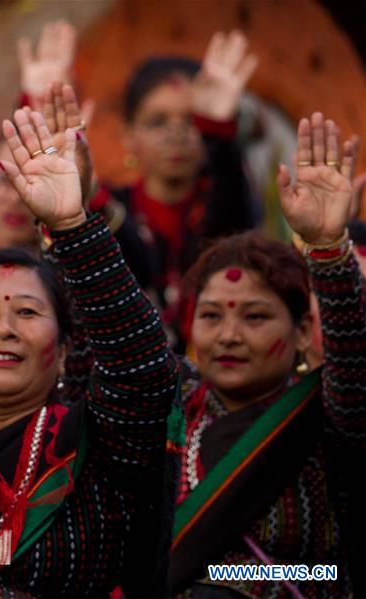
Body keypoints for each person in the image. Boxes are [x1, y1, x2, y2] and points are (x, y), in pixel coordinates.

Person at [0, 107, 179, 597]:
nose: (3, 329)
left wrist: (71, 224)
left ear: (67, 351)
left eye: (27, 313)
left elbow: (144, 368)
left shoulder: (100, 448)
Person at [170, 112, 365, 598]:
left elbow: (329, 577)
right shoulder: (171, 413)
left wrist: (327, 249)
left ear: (302, 332)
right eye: (212, 316)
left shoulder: (330, 419)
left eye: (255, 318)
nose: (229, 335)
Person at [96, 31, 260, 345]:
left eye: (190, 121)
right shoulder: (106, 207)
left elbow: (231, 224)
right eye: (157, 121)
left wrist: (217, 131)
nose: (176, 135)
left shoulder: (228, 204)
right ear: (129, 134)